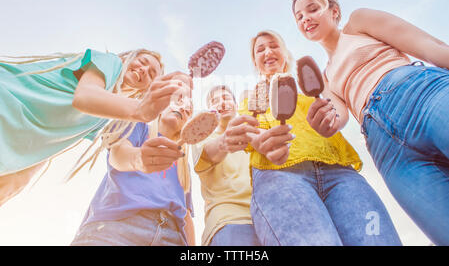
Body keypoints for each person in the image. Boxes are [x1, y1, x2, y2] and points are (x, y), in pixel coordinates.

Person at [291, 0, 449, 245]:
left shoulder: (359, 23)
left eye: (312, 9)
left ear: (334, 11)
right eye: (298, 16)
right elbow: (337, 118)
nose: (305, 18)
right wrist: (324, 122)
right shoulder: (326, 78)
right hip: (389, 151)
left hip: (420, 94)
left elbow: (429, 46)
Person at [238, 29, 401, 246]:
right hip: (280, 176)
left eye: (274, 45)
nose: (268, 51)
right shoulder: (251, 96)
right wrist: (261, 141)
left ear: (285, 53)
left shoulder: (316, 88)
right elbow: (249, 129)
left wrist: (332, 119)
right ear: (255, 61)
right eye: (260, 49)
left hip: (340, 172)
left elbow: (339, 116)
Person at [0, 48, 192, 206]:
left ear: (147, 88)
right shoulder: (111, 62)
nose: (143, 70)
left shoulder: (103, 116)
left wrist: (18, 180)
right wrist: (141, 109)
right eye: (142, 62)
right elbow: (85, 97)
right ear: (128, 58)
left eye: (151, 73)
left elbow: (54, 142)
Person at [71, 99, 195, 246]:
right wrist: (140, 158)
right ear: (161, 108)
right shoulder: (137, 125)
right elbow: (118, 155)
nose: (184, 108)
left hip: (172, 237)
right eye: (178, 101)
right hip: (118, 227)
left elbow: (185, 214)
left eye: (189, 110)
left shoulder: (182, 162)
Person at [191, 85, 260, 246]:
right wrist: (226, 141)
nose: (222, 103)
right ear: (210, 111)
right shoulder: (202, 135)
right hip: (229, 220)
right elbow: (209, 153)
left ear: (236, 105)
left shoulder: (255, 135)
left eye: (226, 98)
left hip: (266, 220)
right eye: (215, 101)